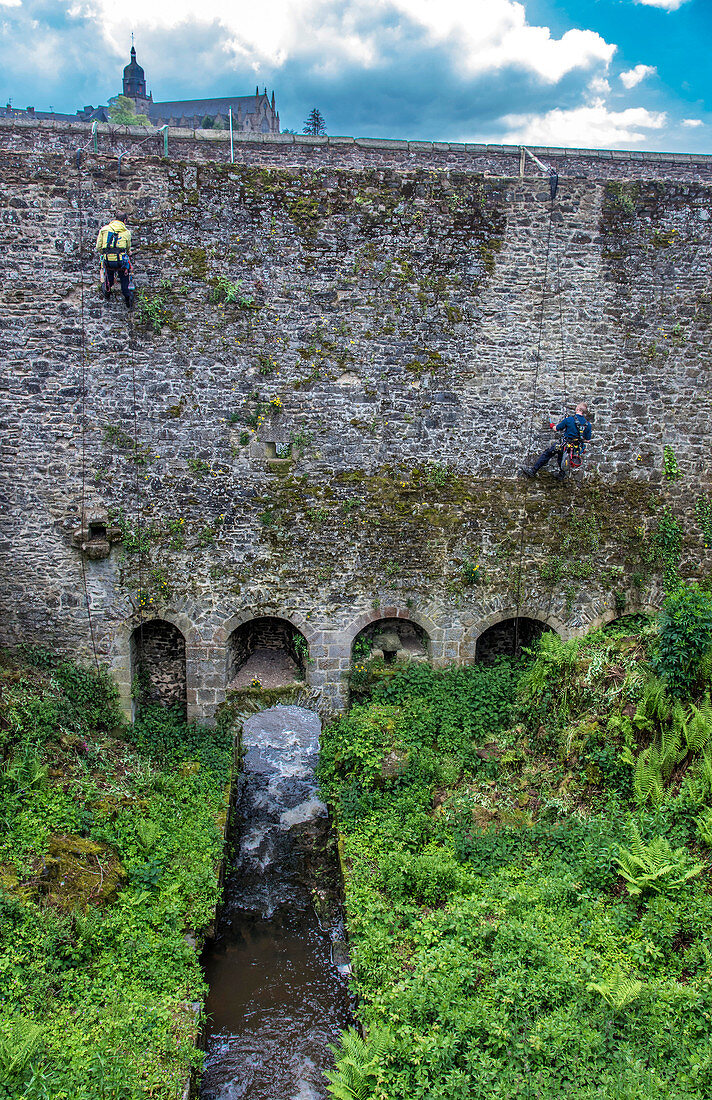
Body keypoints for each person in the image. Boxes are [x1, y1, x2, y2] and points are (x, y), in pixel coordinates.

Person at [520, 402, 592, 479]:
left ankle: (533, 471)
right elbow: (587, 440)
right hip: (575, 447)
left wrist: (552, 425)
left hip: (564, 444)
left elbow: (556, 428)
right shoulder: (587, 425)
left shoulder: (569, 420)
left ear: (577, 409)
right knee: (562, 457)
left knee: (547, 453)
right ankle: (561, 475)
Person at [96, 214, 135, 308]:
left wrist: (106, 253)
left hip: (108, 260)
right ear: (124, 221)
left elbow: (98, 247)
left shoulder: (104, 229)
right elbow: (127, 247)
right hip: (121, 260)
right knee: (124, 276)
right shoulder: (126, 232)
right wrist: (128, 252)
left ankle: (107, 289)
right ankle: (127, 297)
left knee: (109, 273)